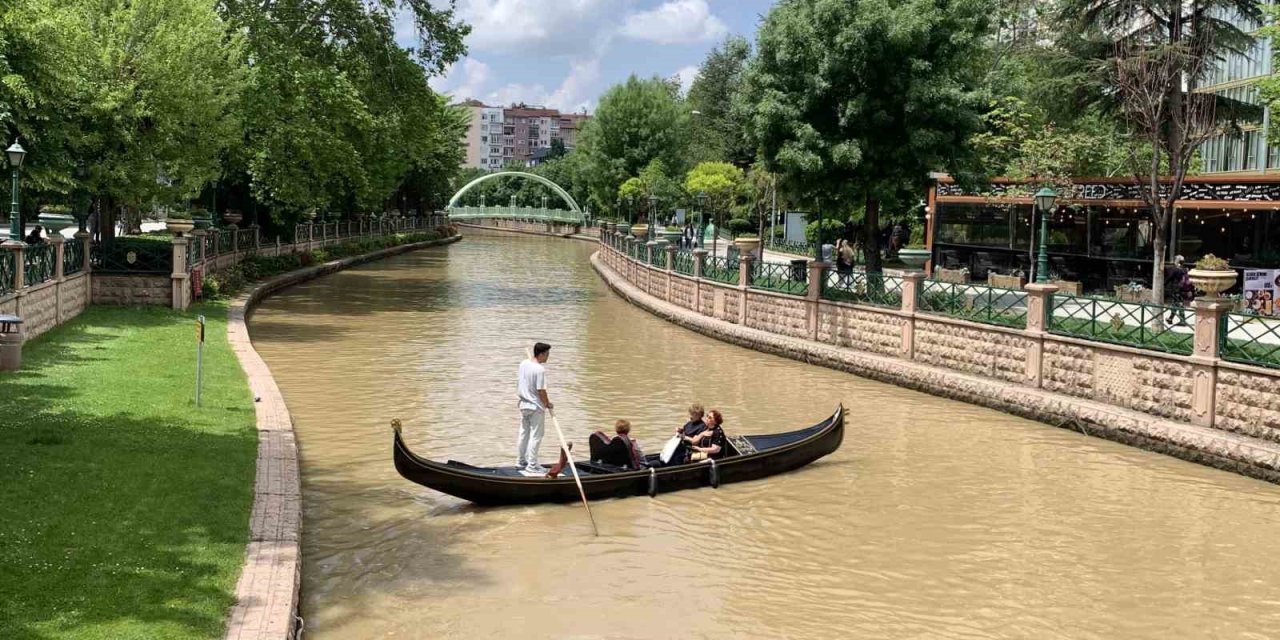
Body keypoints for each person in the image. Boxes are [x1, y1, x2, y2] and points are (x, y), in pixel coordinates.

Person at [516, 342, 553, 475]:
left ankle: (520, 461)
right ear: (541, 354)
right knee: (536, 436)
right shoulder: (540, 370)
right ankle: (532, 465)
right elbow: (541, 390)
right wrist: (548, 404)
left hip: (523, 405)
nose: (548, 357)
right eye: (547, 354)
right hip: (535, 406)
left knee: (524, 433)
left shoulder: (523, 363)